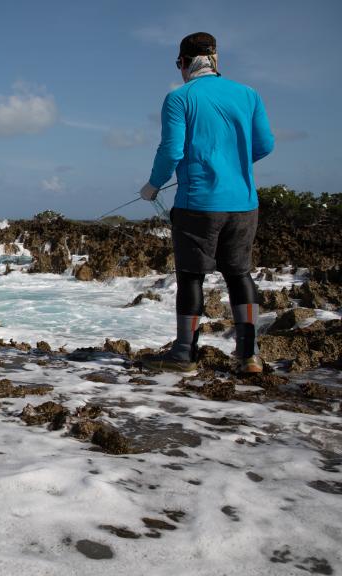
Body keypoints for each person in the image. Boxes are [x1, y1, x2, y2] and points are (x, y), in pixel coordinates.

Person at [140, 32, 275, 373]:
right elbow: (265, 145)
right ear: (215, 59)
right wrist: (233, 165)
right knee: (239, 275)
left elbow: (172, 151)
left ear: (183, 63)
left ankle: (184, 354)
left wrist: (153, 186)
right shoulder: (249, 95)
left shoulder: (179, 98)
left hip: (197, 204)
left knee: (190, 277)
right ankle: (249, 356)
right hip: (244, 204)